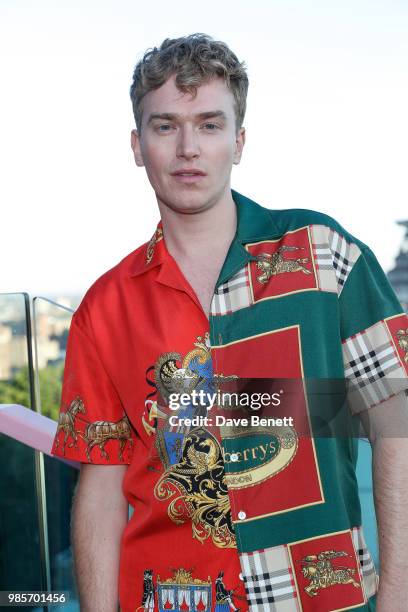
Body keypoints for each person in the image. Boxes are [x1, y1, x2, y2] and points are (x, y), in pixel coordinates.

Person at [51, 33, 408, 612]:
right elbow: (101, 487)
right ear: (137, 145)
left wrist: (397, 597)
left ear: (238, 142)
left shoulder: (324, 256)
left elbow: (398, 421)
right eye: (165, 126)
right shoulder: (104, 309)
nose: (188, 147)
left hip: (321, 598)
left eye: (210, 125)